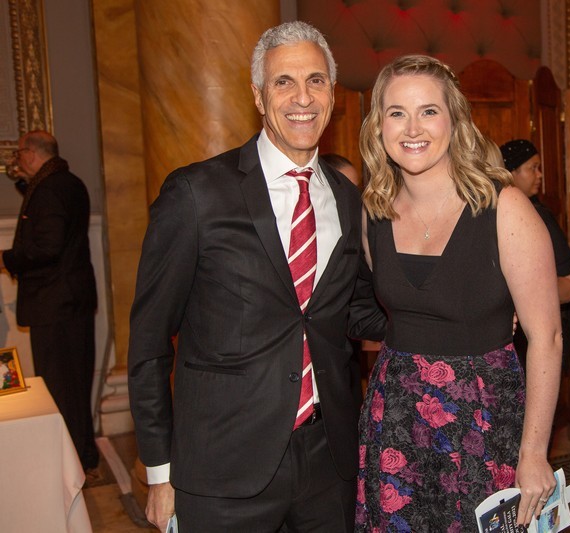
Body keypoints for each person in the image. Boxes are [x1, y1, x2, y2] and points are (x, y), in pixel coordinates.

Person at [127, 21, 385, 532]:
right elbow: (149, 342)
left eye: (315, 81)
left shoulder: (348, 198)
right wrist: (159, 472)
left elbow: (350, 310)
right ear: (258, 96)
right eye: (283, 82)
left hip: (328, 460)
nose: (302, 98)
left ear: (332, 94)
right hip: (223, 468)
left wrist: (451, 315)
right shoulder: (196, 194)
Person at [355, 55, 562, 531]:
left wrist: (534, 452)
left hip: (483, 416)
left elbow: (547, 337)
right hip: (396, 417)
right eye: (397, 112)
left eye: (428, 111)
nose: (413, 128)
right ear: (379, 126)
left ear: (454, 120)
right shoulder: (373, 212)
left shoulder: (505, 207)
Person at [1, 130, 99, 472]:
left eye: (20, 154)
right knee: (75, 386)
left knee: (61, 388)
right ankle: (83, 456)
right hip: (70, 302)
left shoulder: (49, 189)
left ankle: (69, 466)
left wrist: (6, 259)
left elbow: (47, 246)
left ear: (31, 154)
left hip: (55, 303)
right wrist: (23, 182)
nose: (17, 160)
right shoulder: (67, 183)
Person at [500, 139, 570, 371]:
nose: (540, 175)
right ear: (510, 173)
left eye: (539, 167)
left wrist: (521, 291)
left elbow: (569, 286)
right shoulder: (496, 213)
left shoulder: (540, 216)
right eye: (533, 168)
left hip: (547, 328)